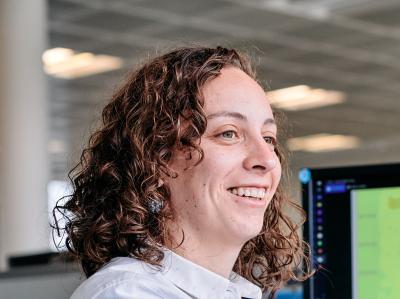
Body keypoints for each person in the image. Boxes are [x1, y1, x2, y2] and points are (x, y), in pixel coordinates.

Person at [54, 46, 311, 299]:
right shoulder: (126, 293)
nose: (266, 159)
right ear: (155, 159)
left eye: (268, 138)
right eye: (228, 133)